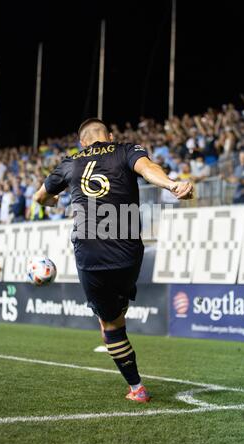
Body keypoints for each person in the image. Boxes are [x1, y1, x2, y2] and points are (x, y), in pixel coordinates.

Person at [29, 119, 194, 402]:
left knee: (110, 326)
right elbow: (147, 169)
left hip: (90, 252)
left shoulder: (70, 162)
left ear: (82, 142)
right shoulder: (125, 149)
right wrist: (171, 184)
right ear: (109, 136)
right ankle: (118, 317)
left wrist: (53, 203)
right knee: (117, 312)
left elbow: (40, 196)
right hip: (128, 251)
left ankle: (137, 389)